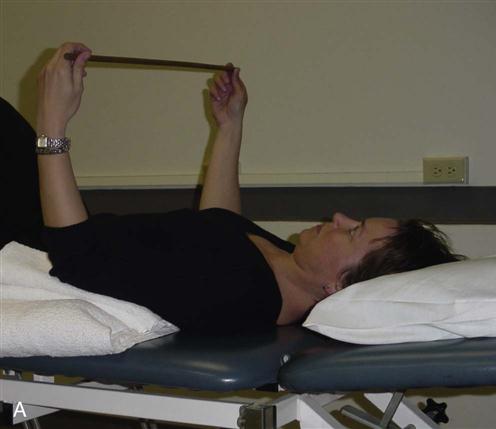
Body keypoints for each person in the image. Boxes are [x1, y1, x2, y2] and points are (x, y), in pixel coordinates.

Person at [34, 42, 462, 332]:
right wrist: (229, 126)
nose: (338, 217)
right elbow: (218, 226)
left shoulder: (235, 294)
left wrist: (52, 121)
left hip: (35, 242)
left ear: (337, 287)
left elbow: (79, 257)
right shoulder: (287, 264)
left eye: (352, 232)